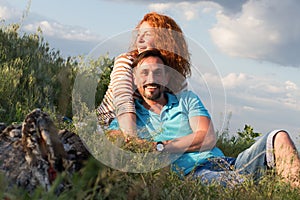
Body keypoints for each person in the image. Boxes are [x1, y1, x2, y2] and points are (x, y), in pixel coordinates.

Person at [109, 49, 300, 187]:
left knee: (279, 137)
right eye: (144, 73)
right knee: (238, 184)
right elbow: (119, 141)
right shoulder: (130, 118)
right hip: (194, 172)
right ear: (135, 79)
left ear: (166, 78)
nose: (151, 78)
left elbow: (207, 138)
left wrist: (158, 146)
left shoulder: (186, 100)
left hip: (226, 162)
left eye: (157, 72)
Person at [96, 12, 191, 136]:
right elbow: (123, 100)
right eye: (139, 34)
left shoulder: (177, 77)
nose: (139, 40)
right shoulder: (127, 61)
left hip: (152, 131)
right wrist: (132, 139)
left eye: (147, 34)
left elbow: (182, 111)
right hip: (111, 123)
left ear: (164, 39)